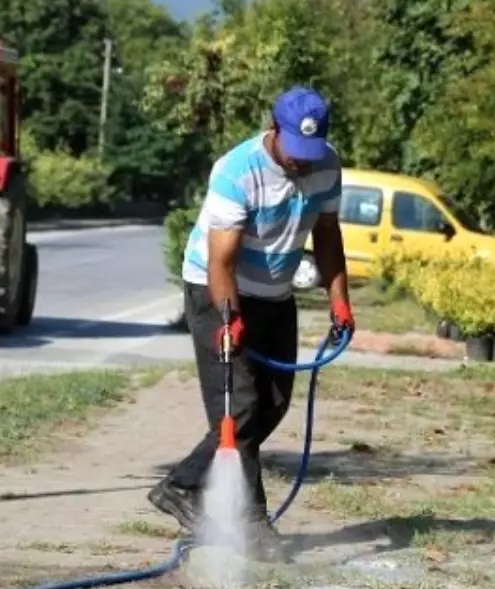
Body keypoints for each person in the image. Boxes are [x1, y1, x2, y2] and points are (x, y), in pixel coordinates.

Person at [147, 85, 355, 562]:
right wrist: (230, 319)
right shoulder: (237, 171)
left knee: (274, 404)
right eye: (295, 151)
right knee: (239, 407)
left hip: (276, 293)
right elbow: (221, 261)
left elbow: (327, 233)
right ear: (273, 129)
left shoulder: (326, 164)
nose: (302, 162)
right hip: (216, 289)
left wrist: (339, 300)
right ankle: (249, 521)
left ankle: (182, 485)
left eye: (311, 151)